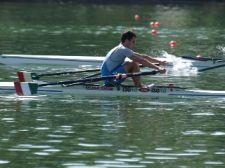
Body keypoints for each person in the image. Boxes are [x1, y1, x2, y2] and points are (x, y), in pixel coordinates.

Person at [101, 30, 166, 88]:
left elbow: (142, 57)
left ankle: (139, 85)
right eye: (133, 41)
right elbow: (141, 60)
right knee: (133, 63)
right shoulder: (123, 49)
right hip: (110, 79)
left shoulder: (121, 48)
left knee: (132, 61)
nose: (134, 44)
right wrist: (158, 68)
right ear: (126, 40)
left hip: (109, 76)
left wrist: (159, 62)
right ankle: (140, 87)